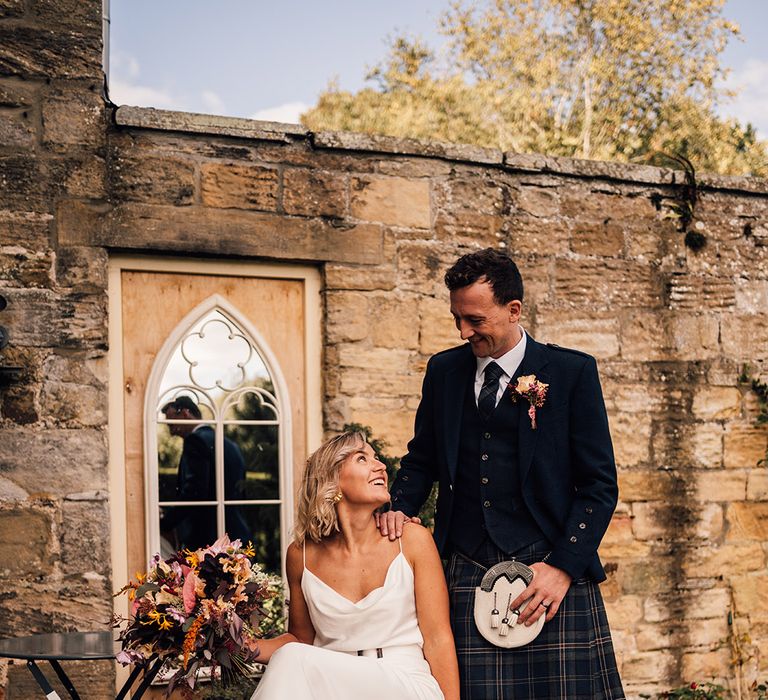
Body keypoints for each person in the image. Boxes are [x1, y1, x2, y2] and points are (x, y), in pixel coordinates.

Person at [379, 248, 625, 699]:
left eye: (475, 319)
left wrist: (563, 568)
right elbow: (422, 458)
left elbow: (599, 486)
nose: (462, 330)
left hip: (549, 567)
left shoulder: (571, 372)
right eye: (457, 318)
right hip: (466, 566)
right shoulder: (444, 371)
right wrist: (397, 508)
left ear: (513, 310)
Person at [251, 431, 460, 700]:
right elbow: (300, 640)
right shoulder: (301, 555)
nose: (381, 465)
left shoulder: (411, 540)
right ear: (333, 481)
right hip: (332, 686)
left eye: (376, 457)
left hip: (404, 682)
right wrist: (241, 646)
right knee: (292, 657)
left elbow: (438, 638)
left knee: (293, 659)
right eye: (362, 458)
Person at [160, 396, 250, 550]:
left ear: (186, 413)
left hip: (208, 537)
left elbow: (194, 491)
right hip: (236, 532)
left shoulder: (195, 441)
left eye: (172, 422)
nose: (171, 429)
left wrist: (165, 523)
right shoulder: (229, 444)